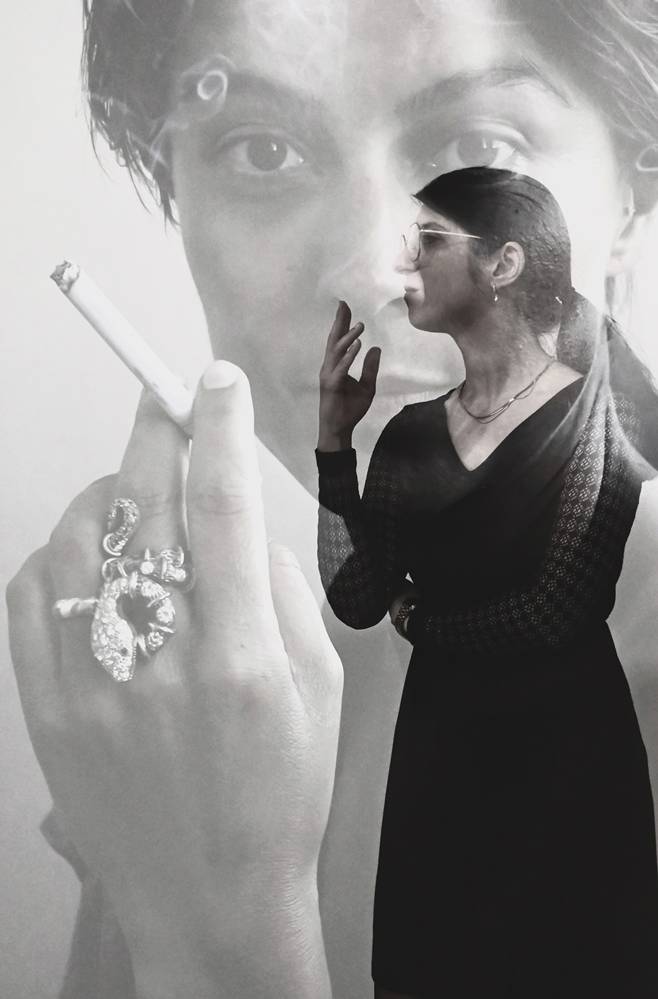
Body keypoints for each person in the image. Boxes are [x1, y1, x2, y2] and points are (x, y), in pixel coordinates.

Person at [6, 0, 658, 996]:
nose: (364, 263)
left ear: (631, 191)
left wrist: (220, 922)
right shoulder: (211, 697)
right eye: (261, 150)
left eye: (478, 147)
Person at [316, 166, 658, 997]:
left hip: (567, 766)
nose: (405, 261)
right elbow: (357, 596)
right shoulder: (409, 434)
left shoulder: (598, 412)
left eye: (430, 241)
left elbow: (554, 609)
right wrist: (333, 443)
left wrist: (420, 621)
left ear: (504, 263)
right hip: (442, 766)